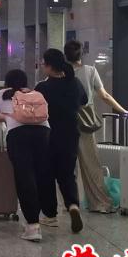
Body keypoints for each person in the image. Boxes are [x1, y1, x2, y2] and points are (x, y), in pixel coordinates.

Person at [0, 69, 51, 242]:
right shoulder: (34, 93)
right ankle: (42, 216)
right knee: (40, 176)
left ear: (7, 82)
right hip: (43, 134)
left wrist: (6, 116)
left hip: (18, 136)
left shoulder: (2, 94)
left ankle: (33, 226)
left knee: (25, 178)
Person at [64, 40, 128, 213]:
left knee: (68, 167)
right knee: (91, 164)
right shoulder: (90, 71)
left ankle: (71, 204)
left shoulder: (61, 73)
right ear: (81, 54)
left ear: (65, 56)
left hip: (65, 122)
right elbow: (104, 96)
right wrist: (123, 111)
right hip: (85, 122)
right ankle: (100, 203)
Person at [35, 48, 88, 233]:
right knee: (67, 174)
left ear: (50, 66)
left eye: (44, 64)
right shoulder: (75, 83)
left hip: (48, 135)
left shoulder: (42, 88)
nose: (43, 66)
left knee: (47, 174)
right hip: (70, 134)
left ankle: (50, 216)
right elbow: (84, 101)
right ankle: (73, 205)